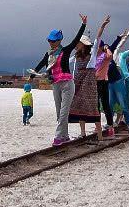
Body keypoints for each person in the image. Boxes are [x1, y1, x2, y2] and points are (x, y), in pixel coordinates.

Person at [30, 14, 87, 146]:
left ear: (59, 40)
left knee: (64, 111)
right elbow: (40, 64)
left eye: (53, 41)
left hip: (67, 84)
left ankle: (58, 137)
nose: (51, 42)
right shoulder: (49, 54)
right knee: (59, 112)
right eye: (49, 40)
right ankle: (65, 136)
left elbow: (76, 39)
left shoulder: (65, 51)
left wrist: (83, 24)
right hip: (56, 84)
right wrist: (32, 75)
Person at [68, 16, 110, 141]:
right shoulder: (75, 56)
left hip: (89, 86)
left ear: (83, 45)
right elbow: (64, 61)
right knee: (80, 107)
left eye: (78, 43)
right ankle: (83, 133)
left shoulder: (91, 55)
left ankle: (100, 136)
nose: (76, 45)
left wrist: (102, 26)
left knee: (93, 108)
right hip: (78, 84)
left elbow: (97, 40)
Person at [108, 29, 129, 133]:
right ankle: (110, 125)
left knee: (123, 104)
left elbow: (117, 45)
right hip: (110, 83)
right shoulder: (97, 60)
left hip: (118, 81)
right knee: (110, 105)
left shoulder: (111, 54)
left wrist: (124, 35)